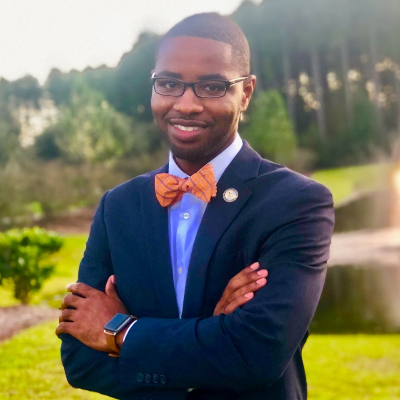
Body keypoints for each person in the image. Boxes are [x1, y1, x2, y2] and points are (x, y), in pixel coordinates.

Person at [56, 12, 334, 400]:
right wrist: (212, 341)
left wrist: (120, 332)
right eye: (169, 84)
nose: (186, 104)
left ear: (246, 92)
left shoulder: (297, 203)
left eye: (212, 86)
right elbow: (81, 361)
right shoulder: (117, 207)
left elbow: (258, 353)